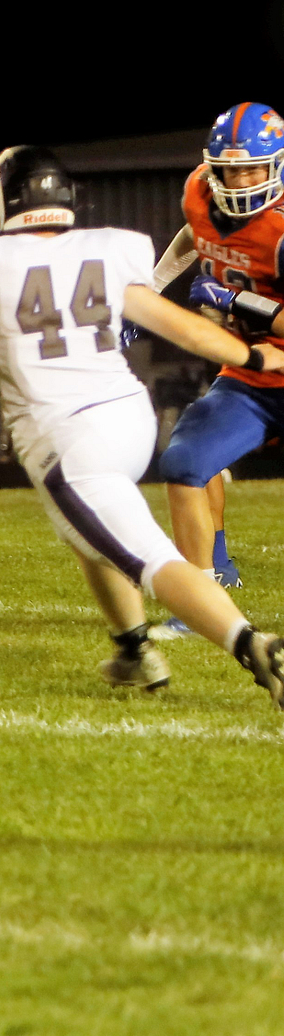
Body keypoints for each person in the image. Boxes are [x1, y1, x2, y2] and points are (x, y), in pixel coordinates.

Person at [0, 144, 284, 700]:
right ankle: (133, 649)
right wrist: (253, 356)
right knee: (87, 532)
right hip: (129, 418)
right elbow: (179, 325)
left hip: (66, 437)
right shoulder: (107, 247)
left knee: (149, 557)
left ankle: (253, 644)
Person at [148, 102, 284, 638]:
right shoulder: (200, 192)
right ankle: (206, 589)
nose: (240, 181)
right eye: (230, 170)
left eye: (253, 169)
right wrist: (153, 286)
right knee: (185, 460)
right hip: (252, 374)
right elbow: (195, 233)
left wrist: (234, 300)